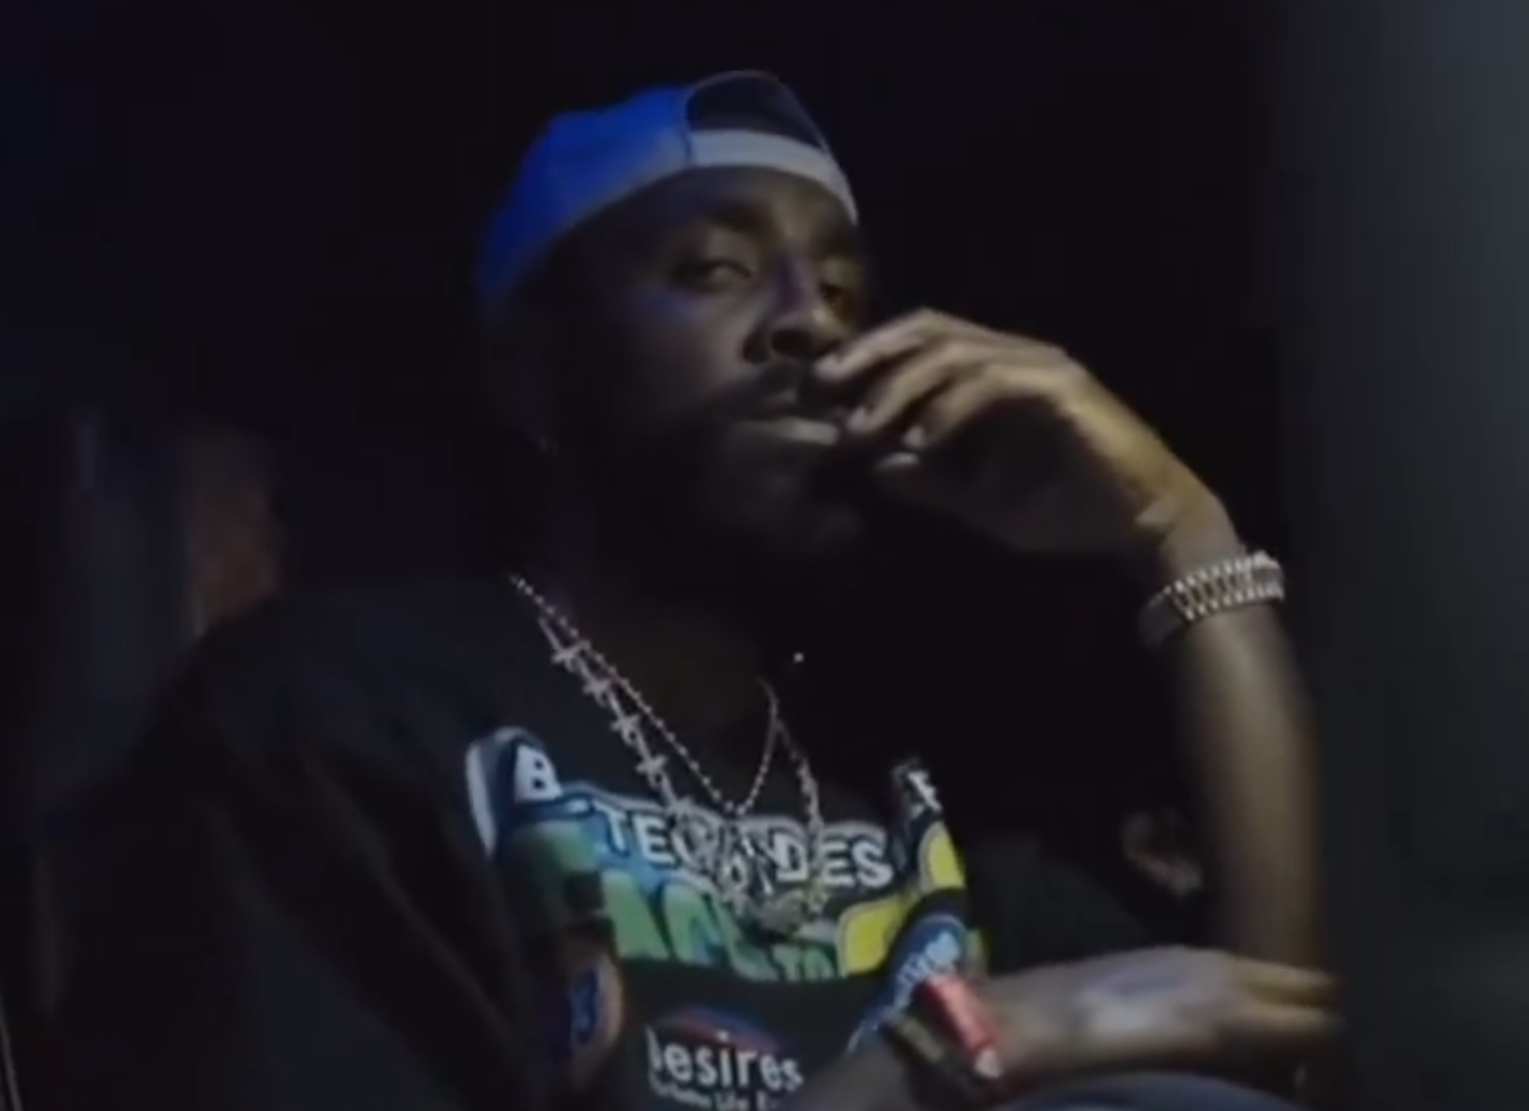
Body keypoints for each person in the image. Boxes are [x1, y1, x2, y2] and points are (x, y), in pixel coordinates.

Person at [55, 72, 1333, 1111]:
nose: (807, 324)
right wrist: (938, 1059)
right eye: (715, 269)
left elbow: (1262, 1054)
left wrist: (1177, 531)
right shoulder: (338, 714)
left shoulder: (911, 777)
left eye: (842, 290)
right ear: (529, 374)